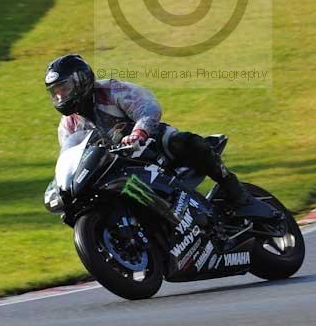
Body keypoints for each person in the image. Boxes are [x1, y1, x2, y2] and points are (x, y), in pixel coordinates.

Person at [45, 53, 253, 210]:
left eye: (64, 88)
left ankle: (234, 189)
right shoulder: (68, 125)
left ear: (81, 81)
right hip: (119, 172)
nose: (61, 96)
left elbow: (148, 108)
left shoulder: (110, 91)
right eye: (56, 93)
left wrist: (139, 133)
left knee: (184, 142)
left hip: (150, 147)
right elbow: (70, 158)